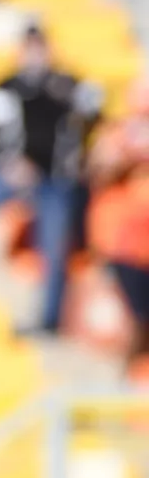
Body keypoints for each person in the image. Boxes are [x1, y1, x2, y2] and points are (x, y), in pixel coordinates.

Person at [0, 24, 101, 334]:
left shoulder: (66, 85)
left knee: (55, 241)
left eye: (40, 47)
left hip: (56, 180)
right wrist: (7, 164)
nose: (36, 55)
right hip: (14, 174)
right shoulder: (6, 87)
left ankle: (50, 318)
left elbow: (92, 106)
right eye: (30, 48)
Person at [86, 77, 149, 373]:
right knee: (134, 319)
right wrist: (126, 155)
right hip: (124, 247)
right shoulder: (118, 134)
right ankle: (123, 379)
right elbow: (96, 171)